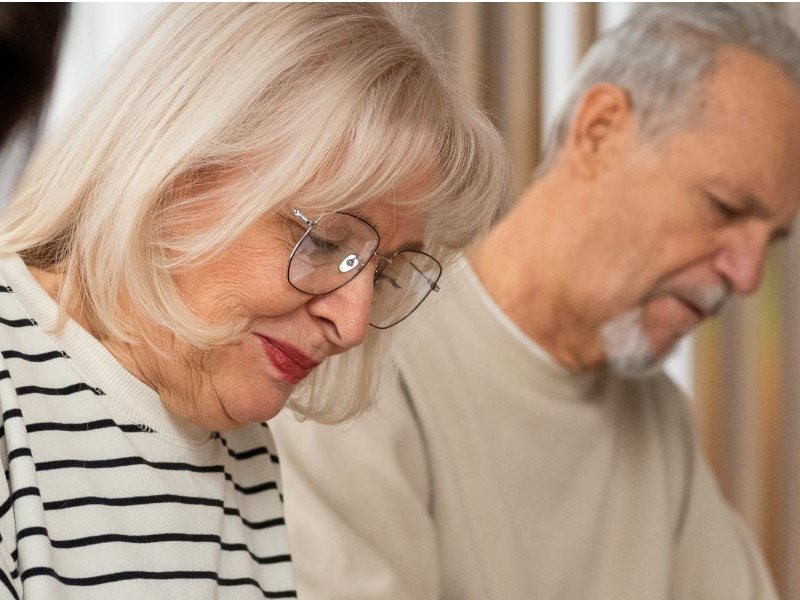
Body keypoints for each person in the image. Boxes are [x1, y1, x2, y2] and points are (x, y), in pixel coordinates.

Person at [272, 4, 800, 599]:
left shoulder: (658, 419)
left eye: (771, 240)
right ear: (600, 131)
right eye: (724, 208)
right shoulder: (357, 362)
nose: (750, 274)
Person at [0, 4, 508, 599]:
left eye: (385, 269)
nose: (351, 326)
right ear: (181, 166)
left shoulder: (238, 444)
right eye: (325, 241)